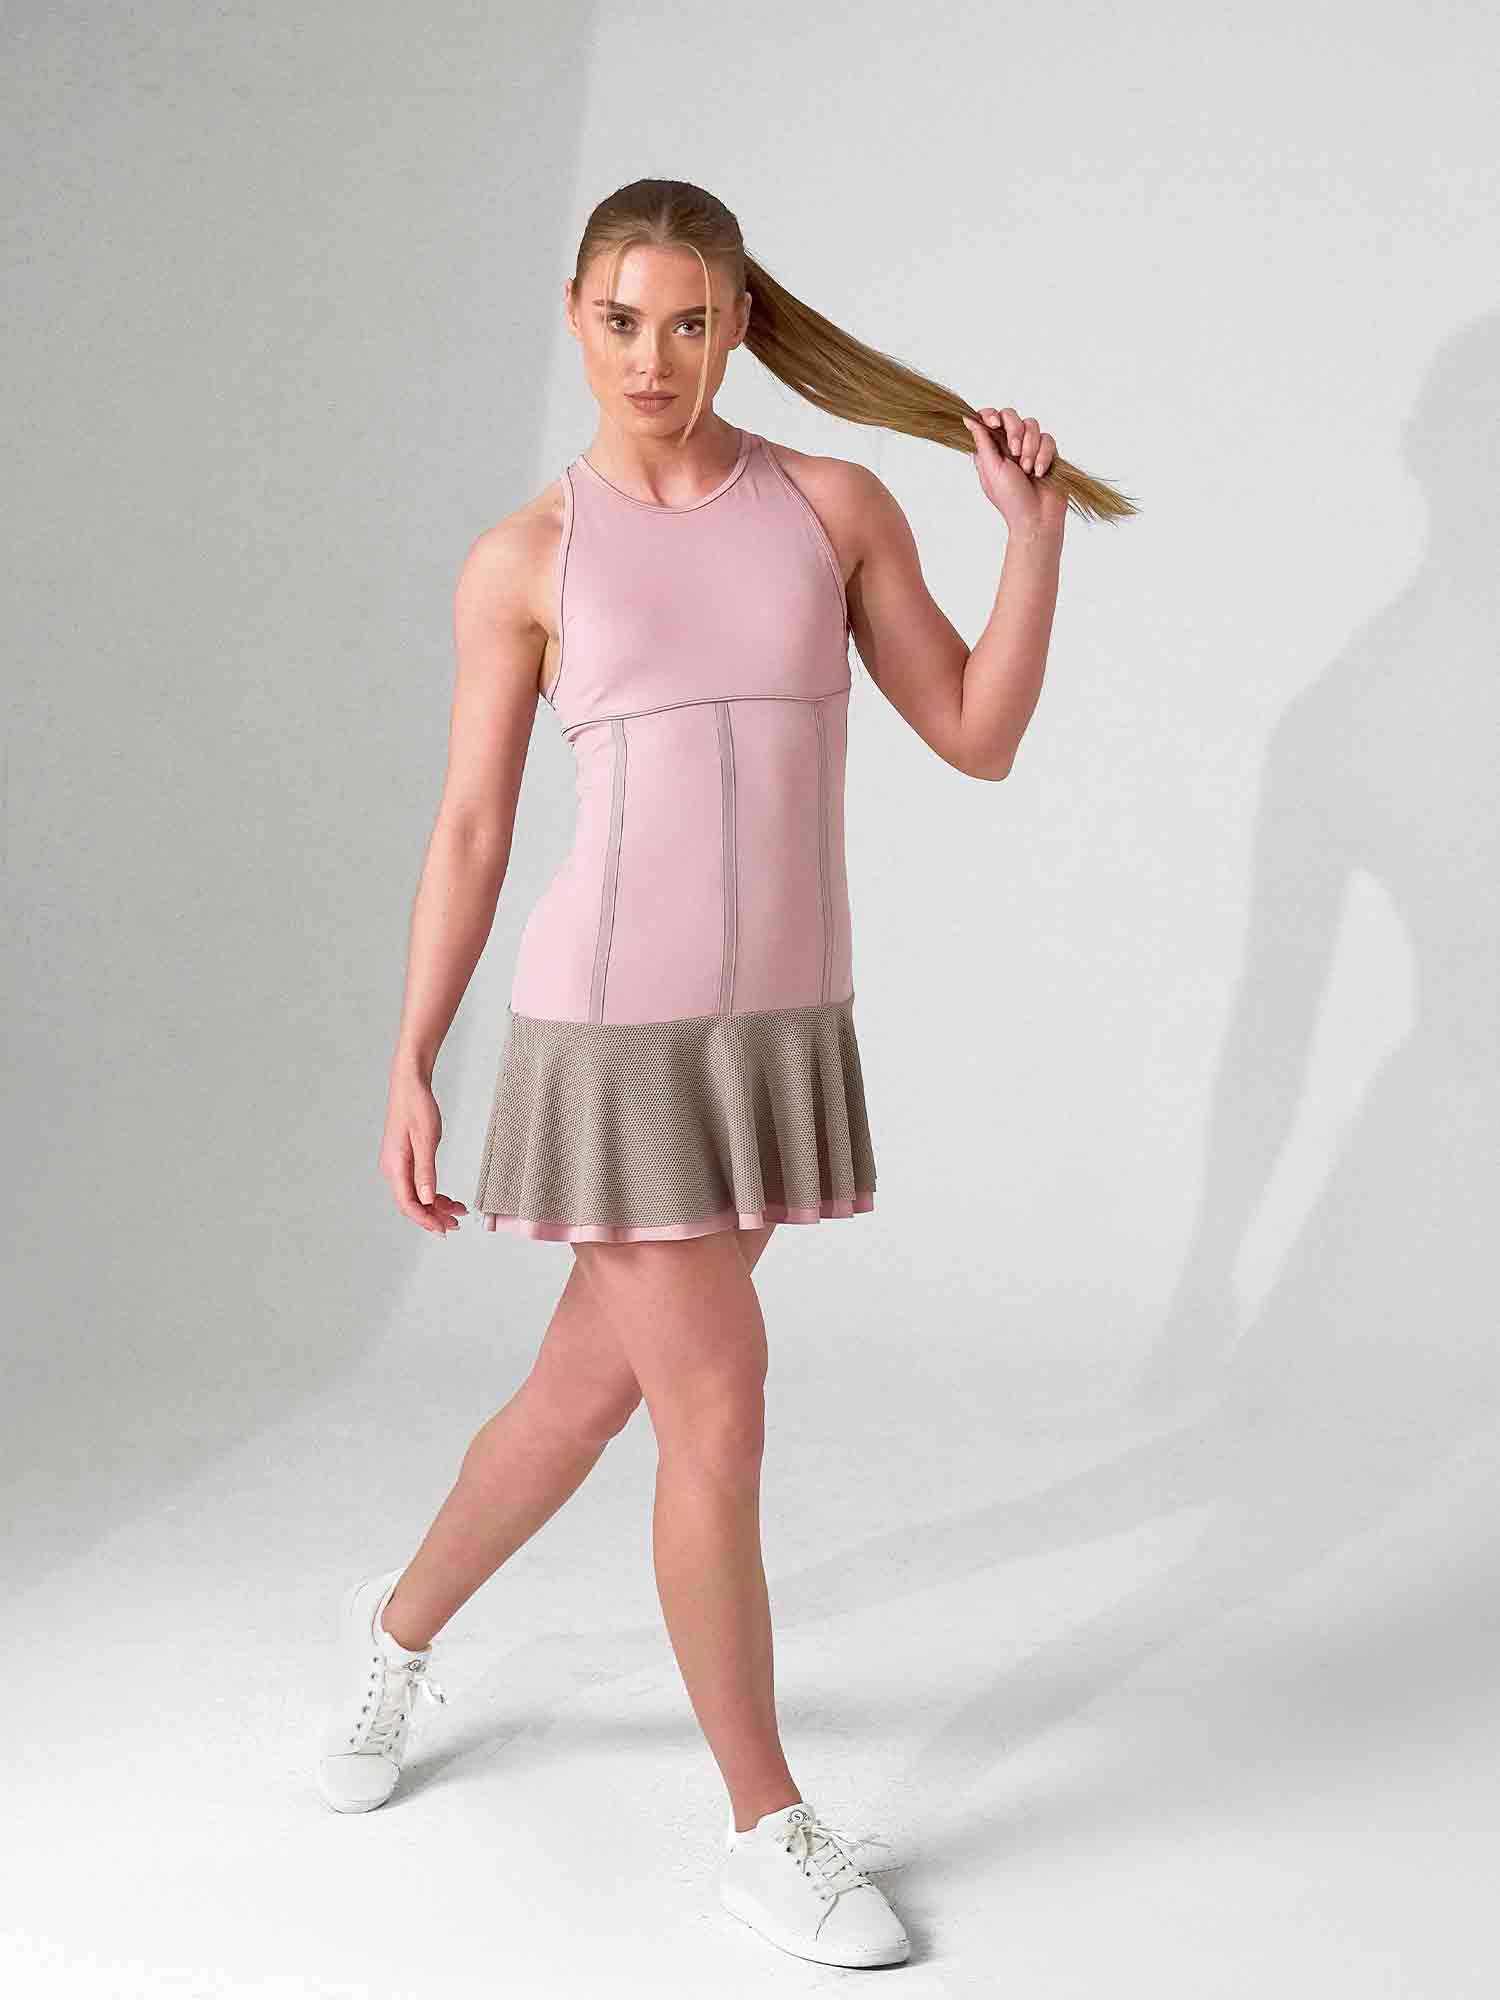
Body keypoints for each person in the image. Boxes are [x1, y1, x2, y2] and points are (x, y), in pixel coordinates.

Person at [315, 177, 1132, 1970]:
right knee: (720, 1411)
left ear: (739, 321)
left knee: (578, 1403)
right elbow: (472, 829)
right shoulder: (528, 558)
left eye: (689, 321)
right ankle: (767, 1829)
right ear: (574, 315)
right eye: (622, 320)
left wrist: (1032, 539)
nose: (654, 358)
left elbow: (977, 734)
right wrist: (412, 1059)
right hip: (610, 1041)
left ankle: (393, 1630)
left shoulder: (830, 508)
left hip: (777, 1038)